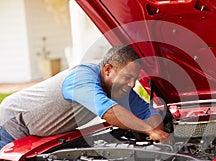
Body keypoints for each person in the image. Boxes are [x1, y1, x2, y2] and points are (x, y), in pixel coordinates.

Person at [0, 45, 170, 149]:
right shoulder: (81, 78)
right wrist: (148, 130)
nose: (132, 84)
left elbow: (147, 111)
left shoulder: (118, 88)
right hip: (11, 125)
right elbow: (109, 111)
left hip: (39, 132)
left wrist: (157, 129)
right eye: (127, 77)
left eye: (135, 79)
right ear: (108, 69)